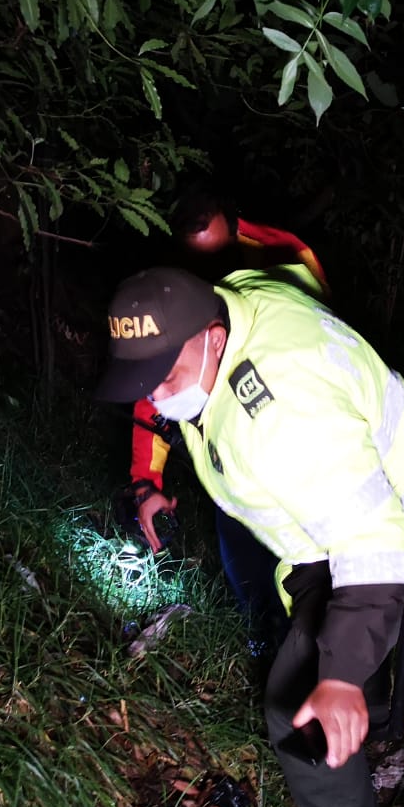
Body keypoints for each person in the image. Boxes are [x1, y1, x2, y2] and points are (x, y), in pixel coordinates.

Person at [95, 264, 404, 807]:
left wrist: (339, 675)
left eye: (164, 376)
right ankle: (365, 711)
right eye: (144, 377)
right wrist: (148, 478)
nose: (157, 395)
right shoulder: (229, 310)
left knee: (297, 702)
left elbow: (373, 543)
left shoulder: (285, 412)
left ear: (213, 339)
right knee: (332, 663)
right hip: (332, 530)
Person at [125, 184, 329, 655]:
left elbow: (321, 342)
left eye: (219, 258)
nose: (211, 274)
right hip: (225, 420)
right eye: (198, 264)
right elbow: (158, 384)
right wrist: (145, 483)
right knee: (234, 501)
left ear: (238, 230)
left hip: (296, 409)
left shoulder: (286, 256)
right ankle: (263, 631)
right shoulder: (174, 283)